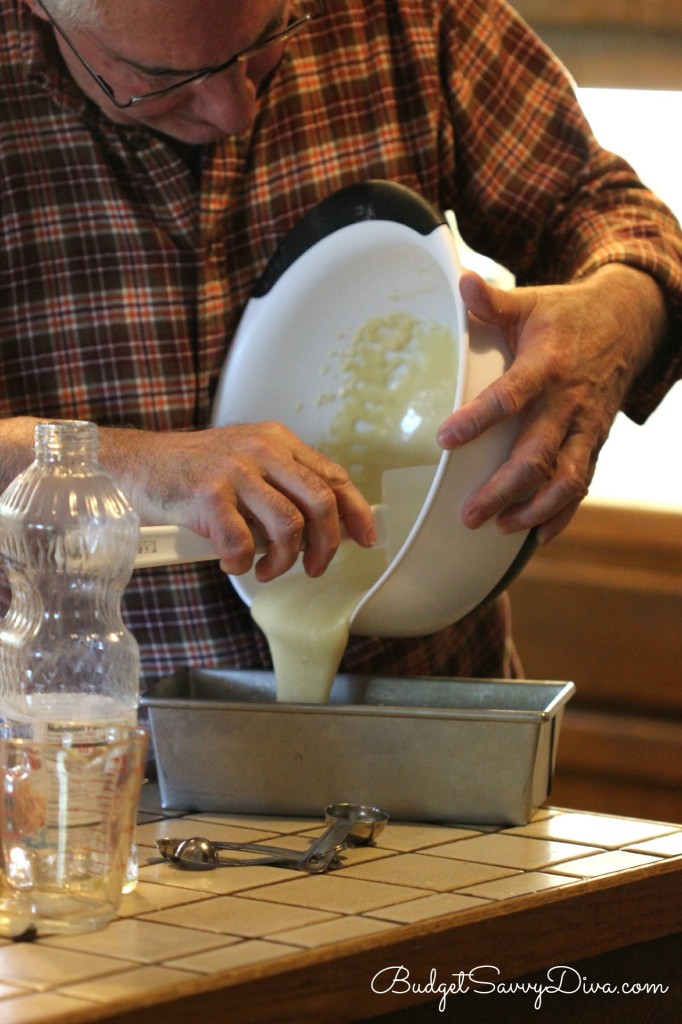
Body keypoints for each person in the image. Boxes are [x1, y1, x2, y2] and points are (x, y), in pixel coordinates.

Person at [1, 0, 681, 689]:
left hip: (421, 730)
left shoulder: (400, 15)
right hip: (75, 749)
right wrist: (122, 467)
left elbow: (609, 212)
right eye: (161, 78)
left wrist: (615, 318)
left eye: (268, 38)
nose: (233, 109)